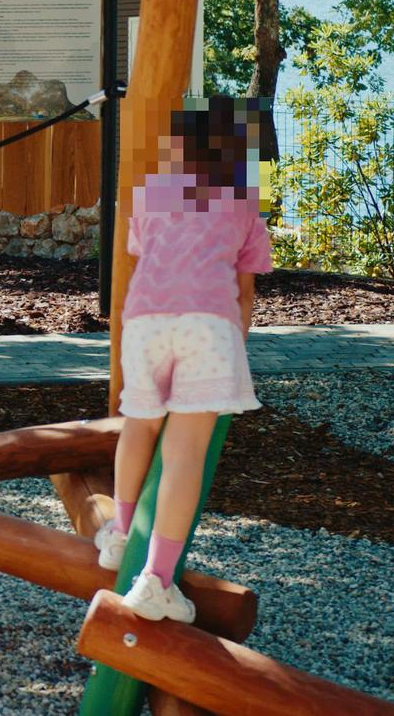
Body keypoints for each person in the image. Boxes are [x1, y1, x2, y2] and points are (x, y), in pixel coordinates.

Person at [94, 98, 272, 622]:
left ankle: (121, 533)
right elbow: (243, 294)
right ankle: (156, 580)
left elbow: (141, 257)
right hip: (208, 324)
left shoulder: (150, 198)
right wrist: (236, 342)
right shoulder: (243, 203)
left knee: (139, 427)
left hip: (144, 323)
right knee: (185, 452)